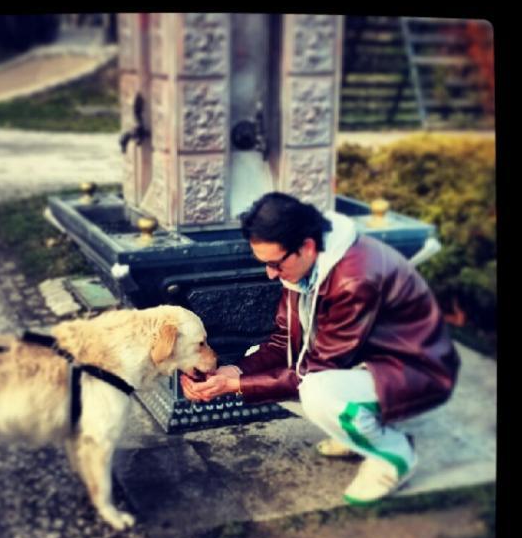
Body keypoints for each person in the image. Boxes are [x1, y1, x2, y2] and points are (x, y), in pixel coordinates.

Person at [180, 192, 460, 505]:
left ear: (308, 247)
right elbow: (282, 343)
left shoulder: (356, 278)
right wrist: (235, 372)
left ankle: (393, 455)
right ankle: (356, 431)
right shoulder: (304, 265)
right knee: (256, 363)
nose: (269, 274)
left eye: (274, 263)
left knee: (318, 392)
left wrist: (237, 386)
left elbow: (315, 369)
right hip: (367, 363)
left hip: (419, 372)